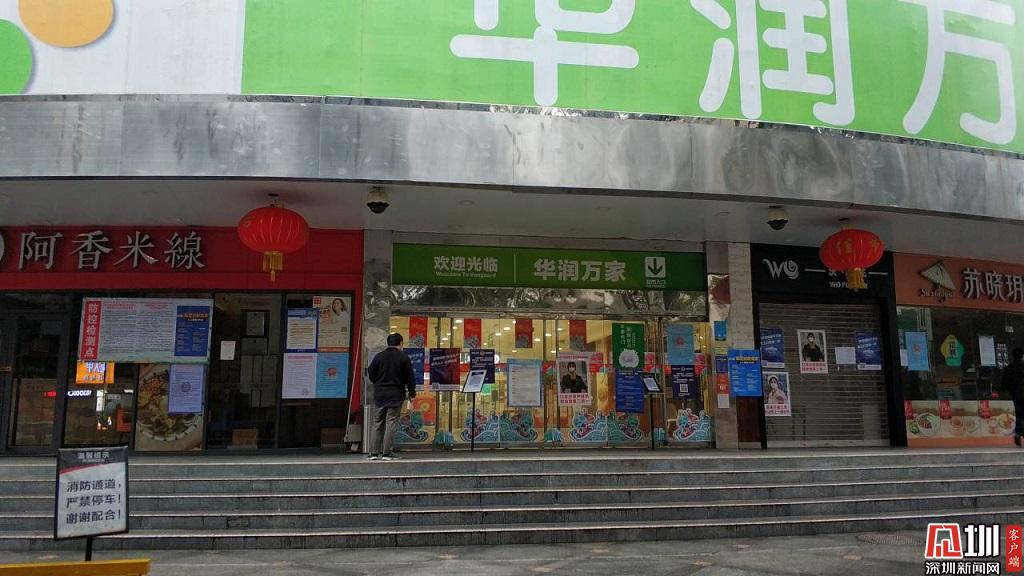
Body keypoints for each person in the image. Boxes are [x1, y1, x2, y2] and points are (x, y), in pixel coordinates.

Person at [366, 333, 416, 460]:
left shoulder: (379, 356)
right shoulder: (403, 358)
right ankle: (387, 453)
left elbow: (371, 374)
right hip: (395, 394)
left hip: (380, 395)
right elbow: (410, 379)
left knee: (377, 422)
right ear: (400, 343)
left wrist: (379, 383)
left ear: (388, 343)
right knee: (391, 422)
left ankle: (373, 453)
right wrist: (412, 394)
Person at [1002, 347, 1024, 447]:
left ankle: (1018, 433)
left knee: (1019, 415)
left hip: (1016, 395)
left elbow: (1004, 384)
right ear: (1022, 356)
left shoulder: (1009, 368)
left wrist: (1011, 391)